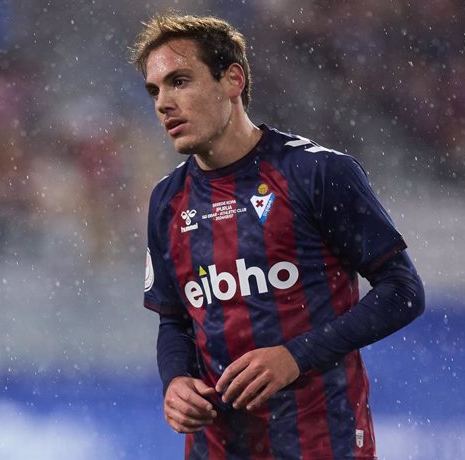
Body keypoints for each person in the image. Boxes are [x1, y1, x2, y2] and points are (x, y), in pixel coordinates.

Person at [131, 13, 425, 460]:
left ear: (232, 80)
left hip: (322, 441)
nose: (163, 103)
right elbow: (174, 320)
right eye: (155, 90)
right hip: (218, 447)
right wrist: (174, 381)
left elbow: (403, 291)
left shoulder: (316, 172)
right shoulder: (167, 201)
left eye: (180, 81)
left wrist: (295, 356)